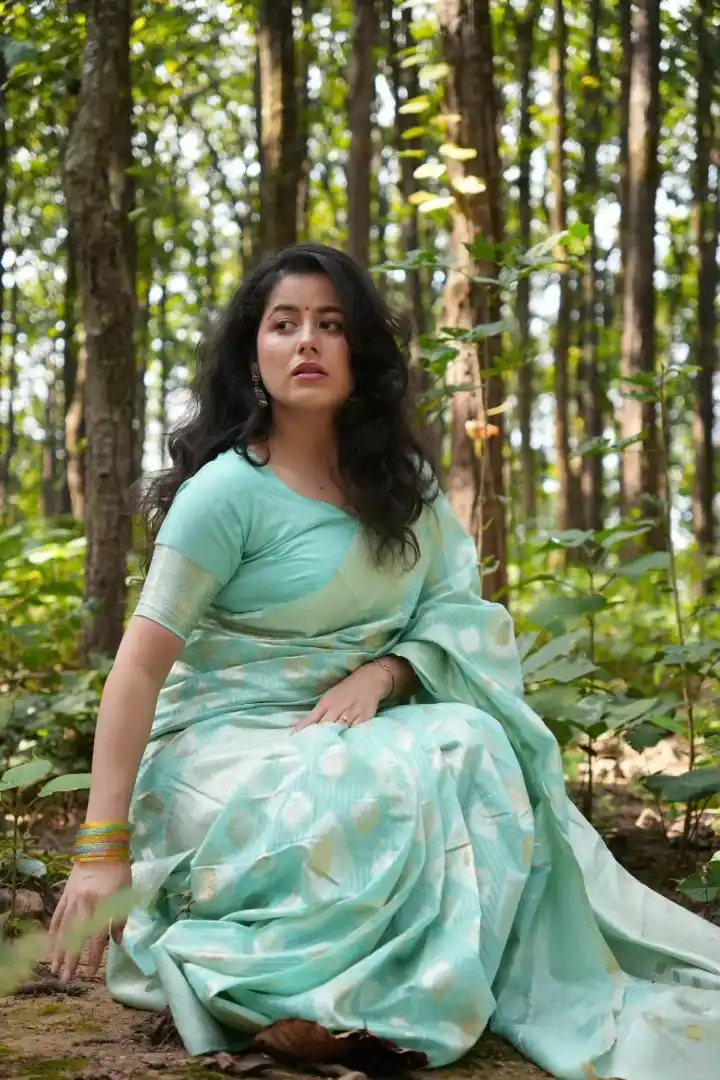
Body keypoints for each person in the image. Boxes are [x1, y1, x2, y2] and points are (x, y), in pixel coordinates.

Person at [51, 243, 720, 1080]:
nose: (307, 341)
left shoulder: (402, 489)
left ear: (359, 352)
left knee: (474, 745)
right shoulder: (224, 494)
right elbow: (139, 669)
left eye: (330, 325)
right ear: (253, 355)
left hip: (355, 730)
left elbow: (455, 613)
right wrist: (100, 848)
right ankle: (343, 986)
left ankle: (447, 976)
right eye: (284, 324)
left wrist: (385, 672)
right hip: (221, 750)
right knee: (375, 782)